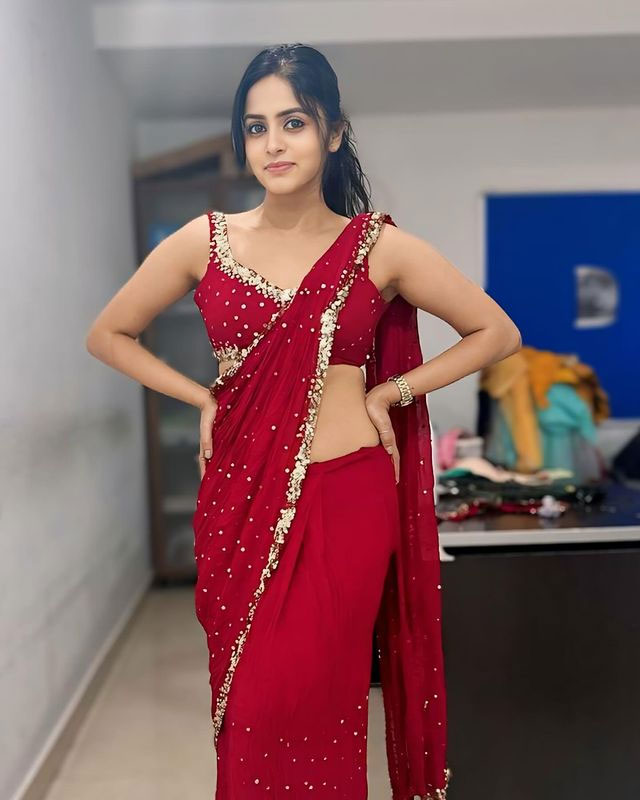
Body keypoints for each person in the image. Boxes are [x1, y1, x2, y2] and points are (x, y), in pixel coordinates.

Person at [86, 43, 521, 800]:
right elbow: (109, 334)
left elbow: (496, 332)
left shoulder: (377, 248)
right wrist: (203, 398)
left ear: (334, 132)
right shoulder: (206, 241)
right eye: (256, 127)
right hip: (239, 499)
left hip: (347, 500)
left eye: (294, 122)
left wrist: (390, 394)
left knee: (324, 702)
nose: (273, 143)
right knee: (251, 709)